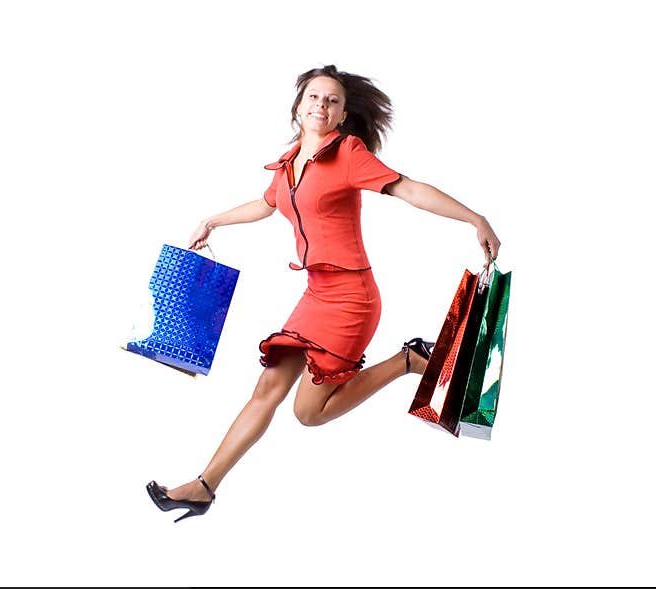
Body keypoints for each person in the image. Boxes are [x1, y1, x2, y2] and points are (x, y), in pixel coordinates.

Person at [146, 64, 501, 521]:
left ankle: (408, 360)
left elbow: (409, 189)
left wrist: (476, 218)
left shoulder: (348, 154)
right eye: (314, 97)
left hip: (352, 298)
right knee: (266, 389)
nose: (321, 105)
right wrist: (213, 221)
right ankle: (203, 486)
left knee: (309, 414)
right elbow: (265, 203)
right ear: (298, 105)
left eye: (332, 101)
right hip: (315, 293)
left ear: (341, 114)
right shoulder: (289, 163)